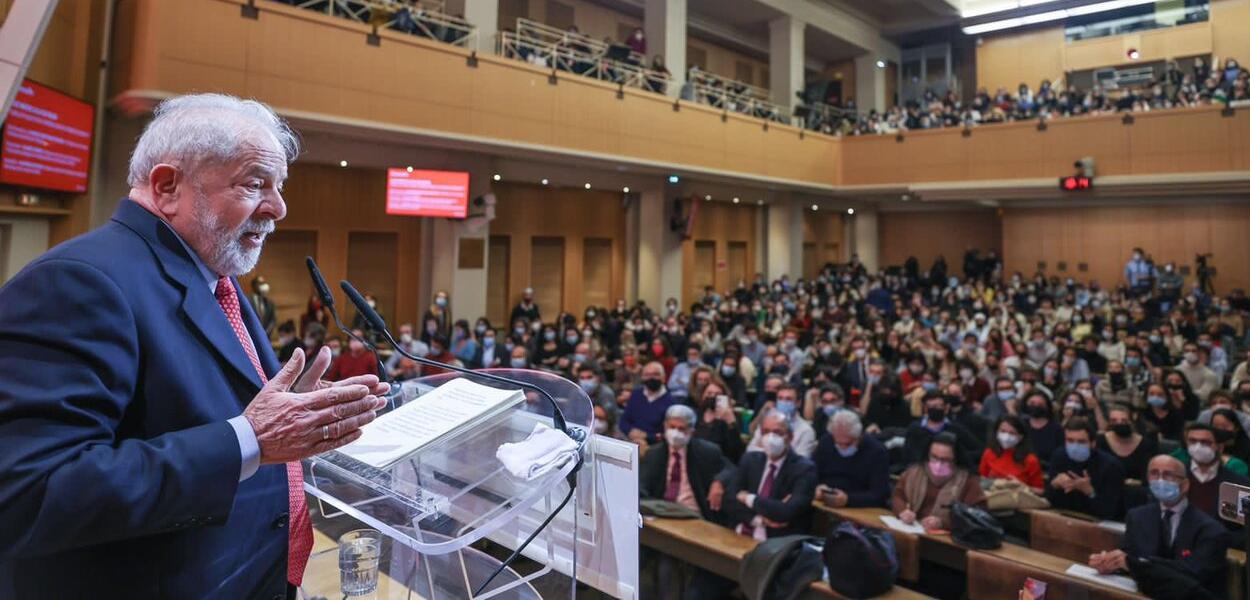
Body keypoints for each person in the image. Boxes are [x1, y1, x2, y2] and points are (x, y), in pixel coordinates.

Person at [0, 94, 388, 596]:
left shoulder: (211, 277)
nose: (279, 207)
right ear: (167, 187)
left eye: (278, 186)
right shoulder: (78, 283)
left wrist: (296, 424)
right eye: (255, 184)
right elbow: (29, 492)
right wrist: (250, 440)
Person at [1089, 455, 1227, 597]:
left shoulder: (1210, 530)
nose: (1160, 480)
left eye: (1168, 475)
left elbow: (1192, 573)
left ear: (1185, 485)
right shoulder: (1137, 517)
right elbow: (1130, 556)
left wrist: (1132, 563)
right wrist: (1111, 564)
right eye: (1154, 474)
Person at [727, 411, 817, 539]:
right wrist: (759, 519)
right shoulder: (750, 460)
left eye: (778, 432)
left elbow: (786, 512)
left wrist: (749, 498)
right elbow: (729, 500)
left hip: (776, 542)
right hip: (740, 531)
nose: (771, 437)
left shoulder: (804, 469)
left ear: (790, 437)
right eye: (766, 432)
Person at [892, 432, 987, 531]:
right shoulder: (914, 473)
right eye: (934, 457)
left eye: (946, 460)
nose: (939, 464)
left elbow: (977, 514)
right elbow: (898, 495)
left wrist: (944, 523)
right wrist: (903, 511)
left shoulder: (968, 481)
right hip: (911, 530)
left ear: (955, 459)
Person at [1046, 417, 1125, 520]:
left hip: (1097, 522)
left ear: (1093, 443)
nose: (1075, 446)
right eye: (1070, 441)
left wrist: (1090, 492)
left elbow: (1109, 511)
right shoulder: (1059, 456)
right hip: (1064, 516)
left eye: (1081, 442)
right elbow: (1047, 499)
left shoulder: (1111, 466)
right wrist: (1054, 484)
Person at [813, 410, 890, 508]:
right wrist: (816, 487)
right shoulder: (826, 441)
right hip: (823, 501)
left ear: (860, 436)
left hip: (859, 508)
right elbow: (812, 473)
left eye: (847, 444)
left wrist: (848, 499)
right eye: (838, 443)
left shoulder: (877, 452)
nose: (842, 447)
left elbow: (879, 495)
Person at [903, 391, 983, 468]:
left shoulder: (955, 429)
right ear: (925, 409)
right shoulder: (915, 429)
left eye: (938, 406)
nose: (934, 409)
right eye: (931, 407)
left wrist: (958, 457)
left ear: (946, 408)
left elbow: (979, 450)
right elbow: (909, 456)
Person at [746, 384, 818, 458]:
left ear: (798, 403)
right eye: (780, 398)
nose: (783, 402)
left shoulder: (806, 431)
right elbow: (750, 450)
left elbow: (801, 461)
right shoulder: (767, 422)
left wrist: (765, 450)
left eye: (788, 399)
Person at [979, 415, 1044, 492]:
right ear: (996, 432)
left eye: (1012, 433)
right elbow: (980, 480)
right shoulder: (989, 453)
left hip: (1018, 501)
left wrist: (1023, 487)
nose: (1006, 436)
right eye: (1003, 431)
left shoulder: (1030, 460)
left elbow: (1040, 490)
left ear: (1021, 436)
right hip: (992, 498)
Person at [1097, 403, 1158, 482]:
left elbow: (1150, 474)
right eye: (1114, 420)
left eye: (1124, 420)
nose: (1119, 424)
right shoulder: (1100, 441)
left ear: (1132, 420)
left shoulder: (1147, 444)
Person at [619, 361, 674, 445]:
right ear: (642, 377)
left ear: (664, 378)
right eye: (647, 375)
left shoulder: (671, 402)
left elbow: (668, 434)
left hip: (655, 446)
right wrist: (630, 431)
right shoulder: (636, 394)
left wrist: (646, 436)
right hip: (630, 440)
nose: (651, 378)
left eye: (656, 374)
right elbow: (624, 420)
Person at [692, 380, 746, 462]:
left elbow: (736, 450)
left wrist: (731, 422)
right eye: (709, 393)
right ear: (703, 395)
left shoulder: (733, 417)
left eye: (717, 394)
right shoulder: (695, 414)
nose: (713, 396)